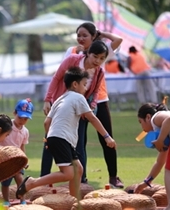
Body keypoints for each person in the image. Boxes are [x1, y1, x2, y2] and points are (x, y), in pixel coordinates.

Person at [42, 22, 124, 188]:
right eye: (95, 57)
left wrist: (92, 105)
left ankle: (83, 180)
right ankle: (43, 180)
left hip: (82, 104)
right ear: (89, 54)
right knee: (51, 140)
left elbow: (93, 93)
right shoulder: (72, 57)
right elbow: (57, 78)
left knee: (79, 142)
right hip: (63, 104)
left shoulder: (99, 69)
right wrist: (48, 99)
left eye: (102, 58)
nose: (98, 61)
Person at [17, 67, 116, 200]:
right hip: (61, 138)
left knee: (78, 169)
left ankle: (74, 201)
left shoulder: (59, 99)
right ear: (75, 84)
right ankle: (32, 183)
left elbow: (46, 122)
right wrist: (107, 137)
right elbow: (92, 118)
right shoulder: (79, 97)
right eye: (84, 84)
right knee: (68, 173)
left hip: (57, 138)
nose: (86, 88)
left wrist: (48, 140)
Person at [0, 99, 33, 206]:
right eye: (20, 117)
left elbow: (22, 146)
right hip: (5, 159)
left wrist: (24, 159)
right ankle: (6, 200)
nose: (22, 121)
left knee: (20, 179)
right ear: (14, 113)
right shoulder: (7, 126)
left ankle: (22, 199)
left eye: (25, 119)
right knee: (5, 182)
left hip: (18, 159)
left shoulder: (25, 131)